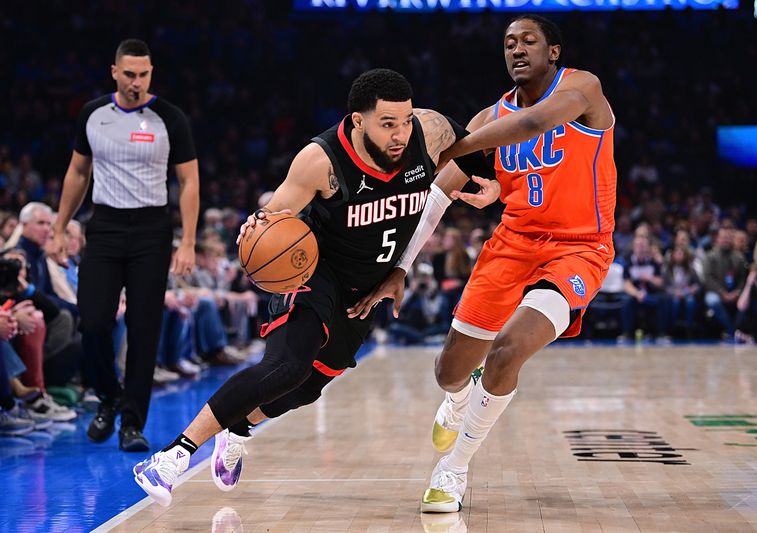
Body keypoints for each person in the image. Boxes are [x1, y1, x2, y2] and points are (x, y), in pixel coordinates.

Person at [133, 68, 499, 506]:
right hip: (314, 275)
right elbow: (273, 221)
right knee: (286, 366)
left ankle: (236, 427)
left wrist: (491, 185)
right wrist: (257, 228)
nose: (400, 133)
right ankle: (172, 456)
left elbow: (476, 153)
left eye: (405, 121)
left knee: (304, 389)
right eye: (388, 124)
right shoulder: (321, 160)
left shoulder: (431, 130)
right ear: (358, 120)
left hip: (368, 289)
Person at [350, 14, 616, 513]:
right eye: (509, 43)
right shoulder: (487, 116)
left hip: (579, 248)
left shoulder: (582, 88)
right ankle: (458, 398)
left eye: (528, 41)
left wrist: (454, 146)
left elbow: (535, 123)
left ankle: (454, 470)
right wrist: (401, 267)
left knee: (509, 350)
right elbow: (435, 198)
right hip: (511, 245)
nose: (517, 49)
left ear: (552, 51)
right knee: (449, 372)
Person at [51, 39, 199, 451]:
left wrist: (187, 240)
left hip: (152, 229)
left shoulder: (170, 118)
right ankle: (108, 396)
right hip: (105, 223)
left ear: (152, 73)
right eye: (129, 74)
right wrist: (60, 227)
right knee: (94, 321)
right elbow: (78, 172)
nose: (137, 82)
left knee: (144, 327)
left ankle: (132, 422)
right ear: (114, 72)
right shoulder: (93, 114)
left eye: (144, 74)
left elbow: (189, 181)